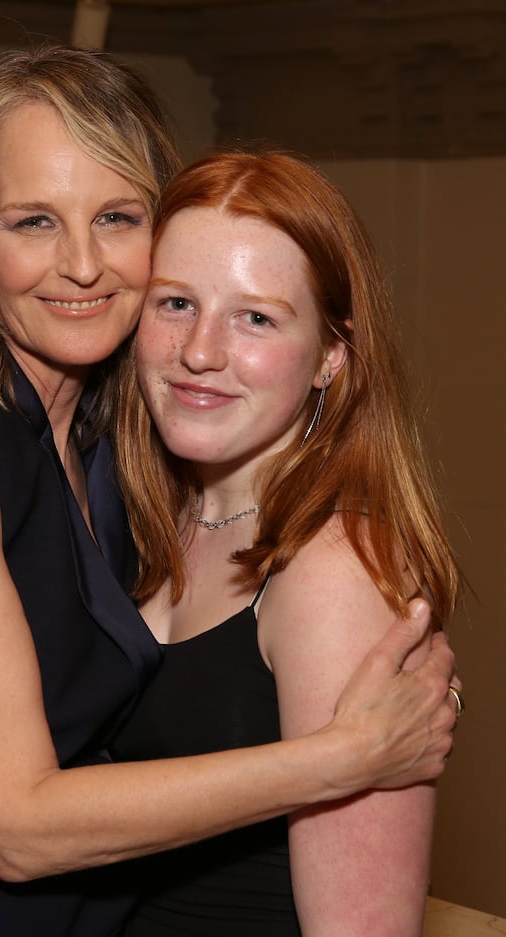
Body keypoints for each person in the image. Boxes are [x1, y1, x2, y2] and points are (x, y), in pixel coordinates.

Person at [0, 46, 458, 937]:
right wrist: (341, 757)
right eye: (33, 221)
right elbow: (10, 818)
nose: (81, 264)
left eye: (117, 217)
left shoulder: (120, 460)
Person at [110, 149, 463, 936]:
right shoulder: (133, 521)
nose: (200, 350)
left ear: (331, 357)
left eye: (256, 318)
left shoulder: (333, 567)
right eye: (176, 303)